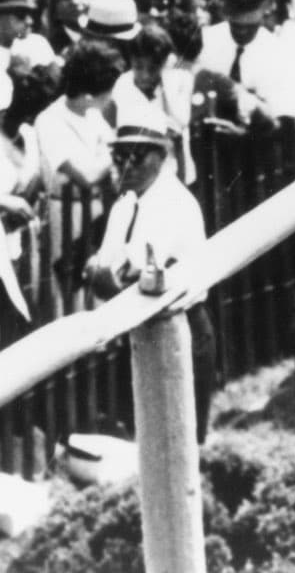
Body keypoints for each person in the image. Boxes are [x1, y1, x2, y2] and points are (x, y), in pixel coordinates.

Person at [86, 116, 213, 438]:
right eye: (120, 155)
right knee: (146, 436)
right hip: (141, 331)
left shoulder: (172, 202)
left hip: (179, 328)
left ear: (162, 156)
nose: (127, 164)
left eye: (138, 155)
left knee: (182, 436)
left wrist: (106, 279)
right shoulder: (126, 203)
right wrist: (100, 272)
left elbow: (134, 281)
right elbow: (106, 263)